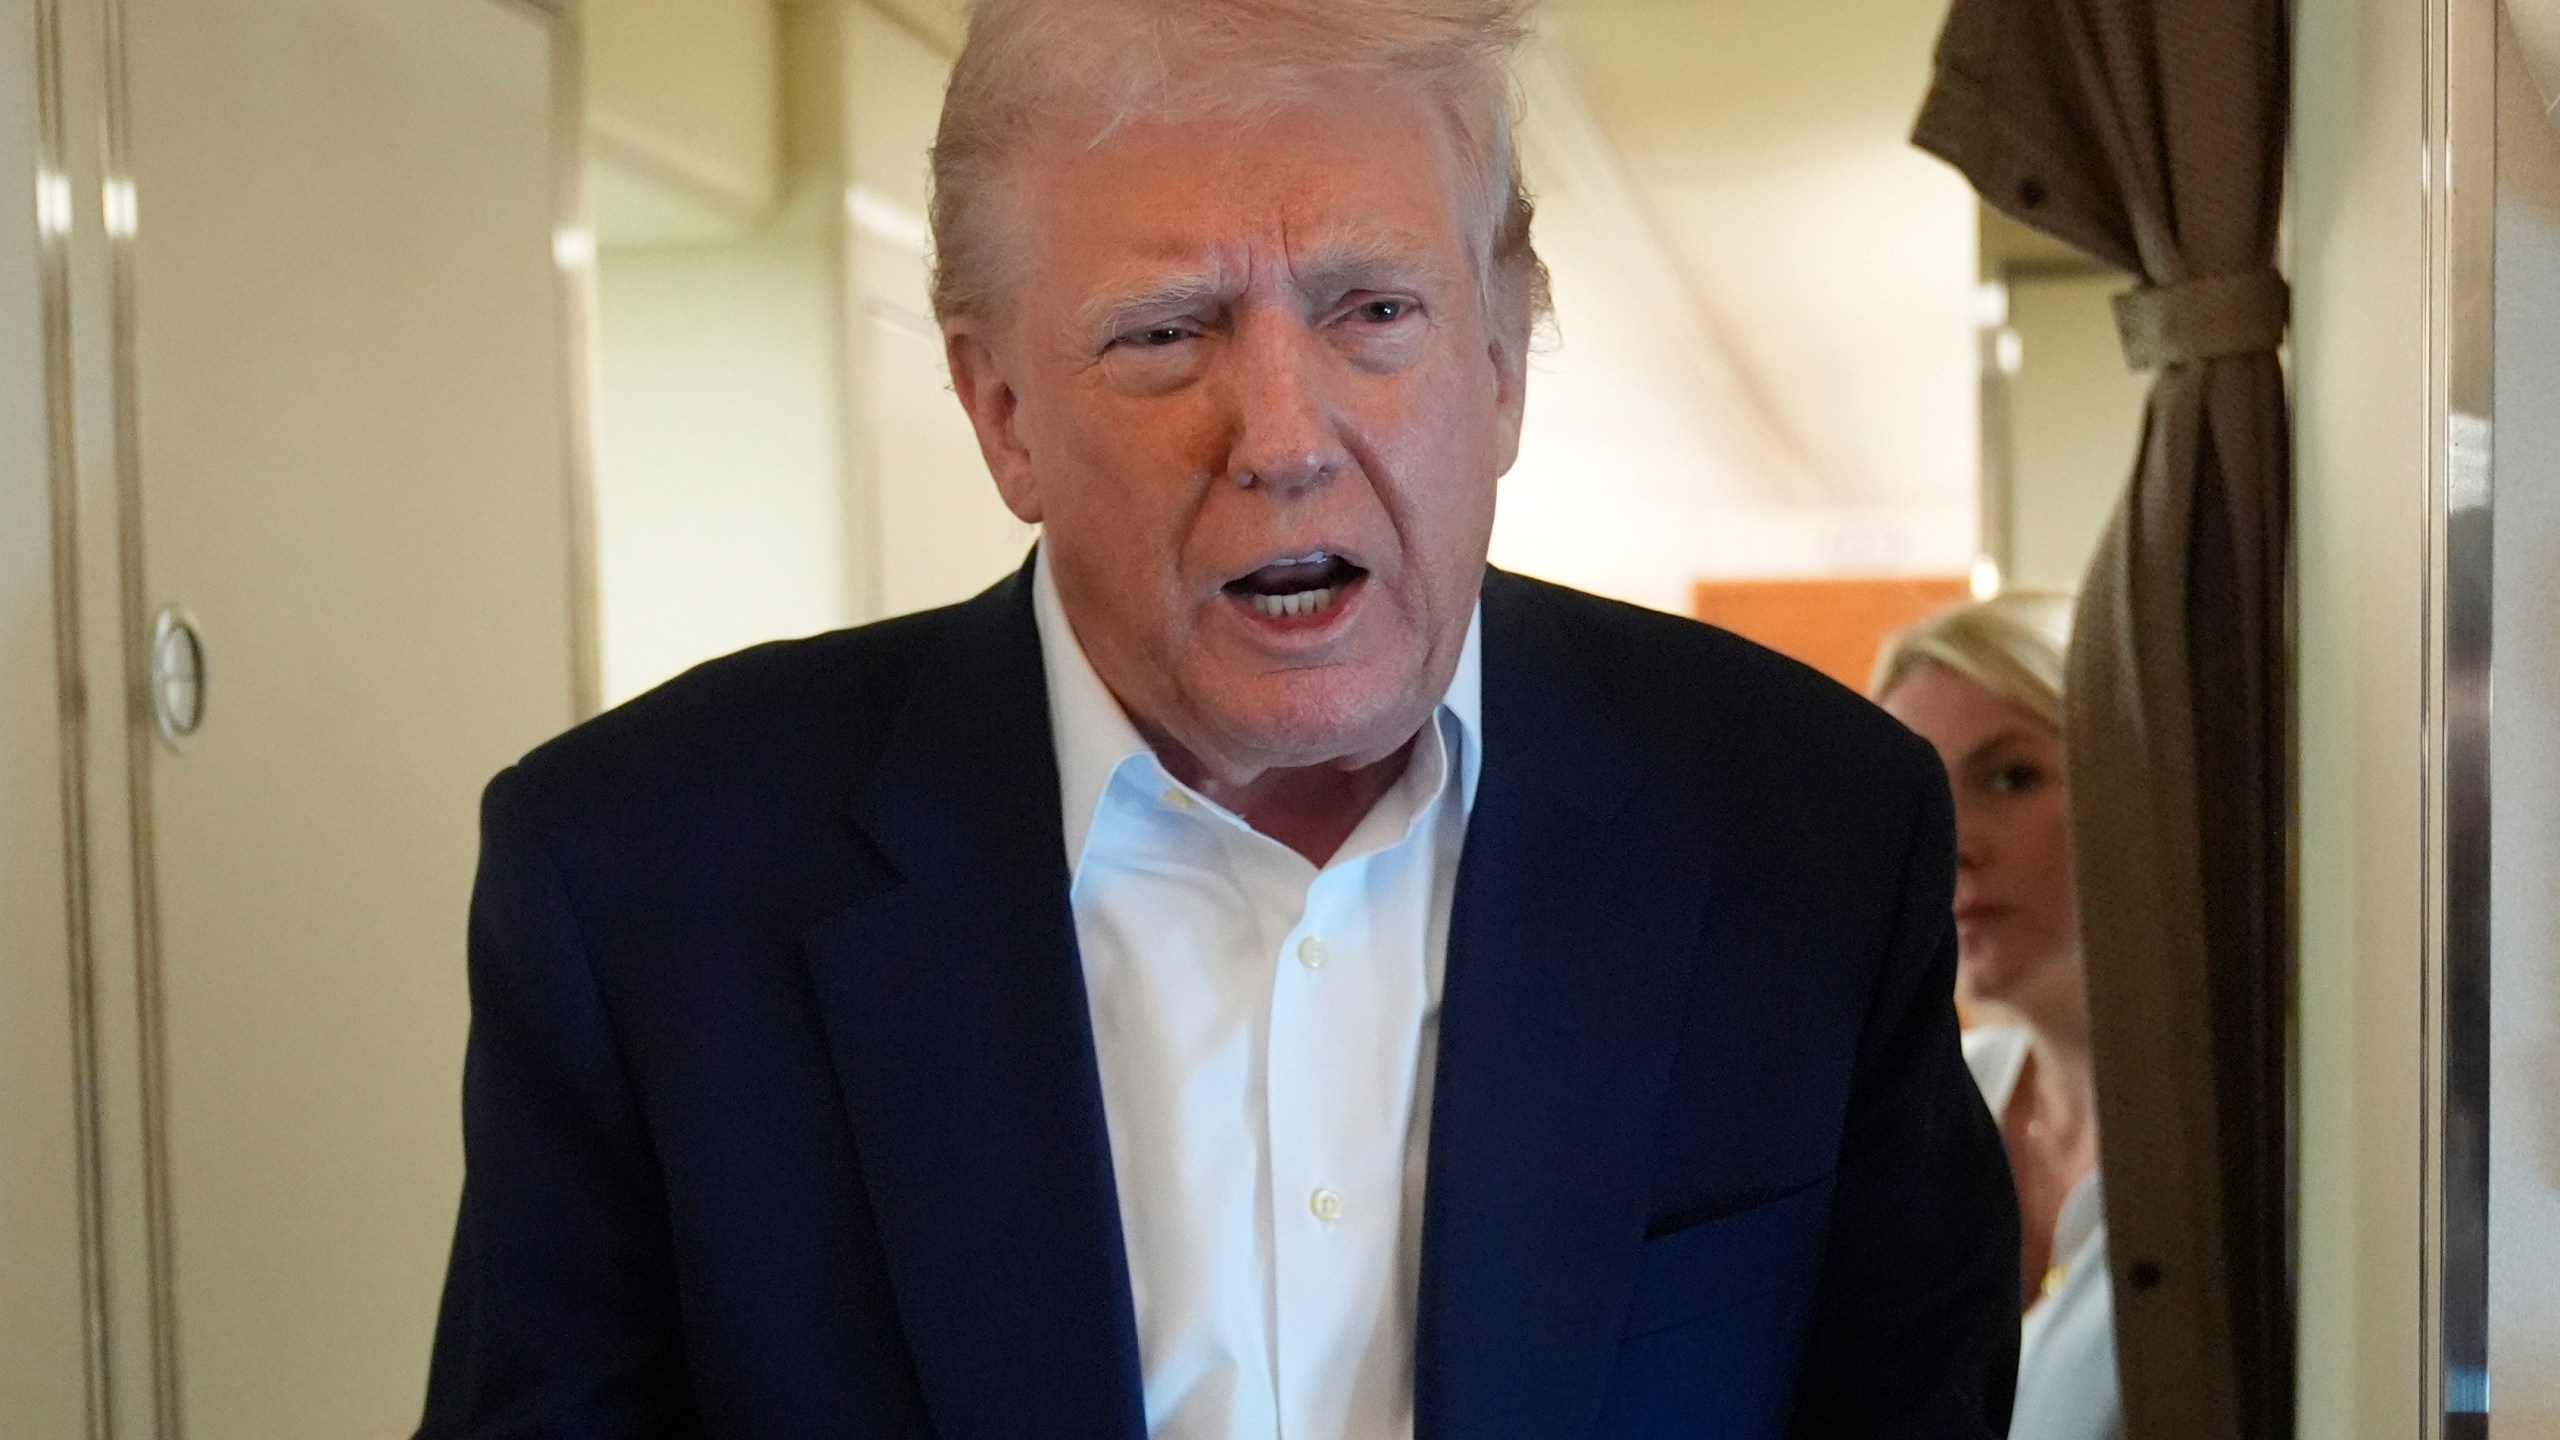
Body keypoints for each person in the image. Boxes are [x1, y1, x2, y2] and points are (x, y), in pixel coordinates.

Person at [416, 1, 2018, 1435]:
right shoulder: (642, 877)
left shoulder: (1809, 827)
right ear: (1001, 415)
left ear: (1504, 359)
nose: (1282, 436)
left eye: (1371, 308)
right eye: (1166, 329)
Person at [1874, 593, 2123, 1440]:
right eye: (1919, 797)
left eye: (2010, 778)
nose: (1954, 842)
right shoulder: (1919, 1103)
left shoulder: (2246, 1148)